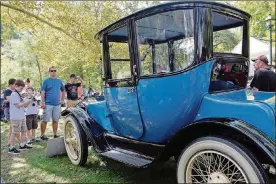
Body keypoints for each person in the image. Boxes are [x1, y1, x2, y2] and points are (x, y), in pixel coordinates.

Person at [9, 79, 33, 154]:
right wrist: (27, 102)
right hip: (16, 117)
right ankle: (11, 148)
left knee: (24, 130)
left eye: (22, 88)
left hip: (21, 116)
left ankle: (22, 145)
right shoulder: (14, 94)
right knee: (15, 132)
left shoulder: (19, 94)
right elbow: (17, 105)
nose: (21, 90)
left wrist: (29, 100)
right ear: (16, 86)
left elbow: (24, 105)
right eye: (21, 88)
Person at [40, 66, 65, 140]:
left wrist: (62, 99)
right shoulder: (46, 81)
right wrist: (42, 102)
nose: (53, 72)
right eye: (51, 71)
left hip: (57, 104)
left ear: (56, 71)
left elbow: (63, 90)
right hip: (48, 104)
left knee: (56, 120)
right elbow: (43, 92)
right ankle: (42, 135)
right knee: (45, 120)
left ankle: (55, 134)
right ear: (49, 72)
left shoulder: (59, 81)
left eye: (55, 70)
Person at [3, 78, 16, 145]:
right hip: (8, 110)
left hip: (14, 110)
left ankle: (10, 141)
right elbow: (10, 100)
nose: (16, 85)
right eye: (15, 84)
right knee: (12, 126)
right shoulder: (7, 91)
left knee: (12, 126)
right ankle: (10, 142)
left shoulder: (14, 91)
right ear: (11, 84)